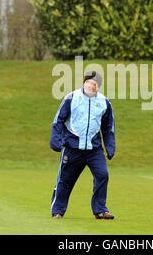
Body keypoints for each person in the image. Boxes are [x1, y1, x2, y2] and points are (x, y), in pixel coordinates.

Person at [50, 71, 116, 220]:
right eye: (88, 82)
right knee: (65, 180)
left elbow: (108, 127)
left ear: (98, 86)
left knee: (103, 175)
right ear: (84, 82)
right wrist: (55, 140)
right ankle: (58, 211)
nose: (90, 85)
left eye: (94, 84)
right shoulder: (71, 98)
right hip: (72, 148)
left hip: (94, 149)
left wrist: (110, 146)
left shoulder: (104, 102)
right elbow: (58, 120)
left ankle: (100, 210)